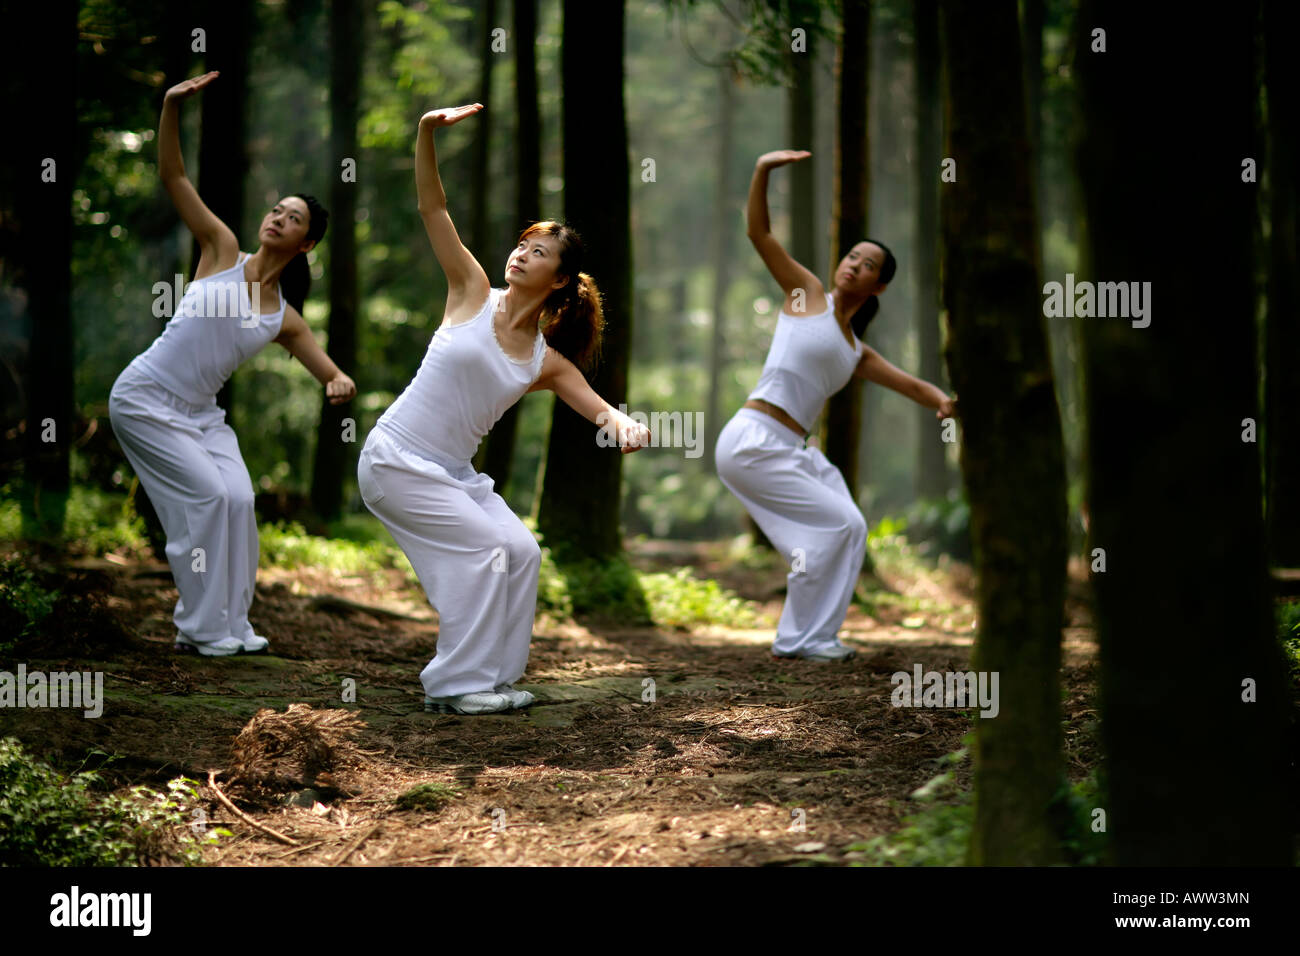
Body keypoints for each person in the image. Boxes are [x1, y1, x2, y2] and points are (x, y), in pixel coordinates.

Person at [358, 103, 650, 716]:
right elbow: (434, 210)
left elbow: (599, 411)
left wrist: (624, 424)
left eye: (539, 252)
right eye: (523, 245)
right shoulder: (469, 291)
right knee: (490, 550)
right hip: (395, 460)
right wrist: (425, 135)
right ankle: (455, 683)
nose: (522, 255)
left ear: (562, 280)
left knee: (521, 551)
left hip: (453, 476)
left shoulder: (546, 361)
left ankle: (492, 678)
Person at [109, 71, 357, 657]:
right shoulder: (221, 249)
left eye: (292, 217)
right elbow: (174, 176)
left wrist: (340, 381)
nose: (277, 217)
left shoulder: (283, 317)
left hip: (202, 416)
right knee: (206, 499)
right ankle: (198, 629)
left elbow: (328, 370)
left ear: (306, 243)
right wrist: (171, 106)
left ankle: (232, 623)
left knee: (240, 500)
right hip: (144, 397)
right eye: (276, 209)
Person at [715, 149, 956, 662]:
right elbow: (760, 235)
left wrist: (942, 401)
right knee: (839, 527)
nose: (855, 266)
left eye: (868, 265)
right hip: (753, 438)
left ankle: (809, 637)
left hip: (787, 447)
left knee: (849, 529)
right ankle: (802, 638)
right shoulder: (808, 296)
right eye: (852, 257)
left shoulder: (854, 350)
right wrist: (761, 170)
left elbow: (912, 385)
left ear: (879, 286)